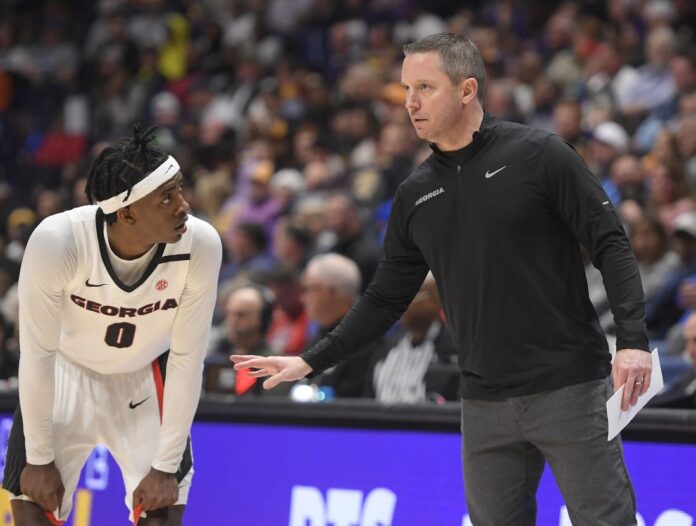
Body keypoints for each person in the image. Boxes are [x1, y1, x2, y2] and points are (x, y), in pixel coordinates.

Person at [232, 32, 652, 525]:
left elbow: (611, 243)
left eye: (425, 88)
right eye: (407, 89)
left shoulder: (540, 155)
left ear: (467, 89)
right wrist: (310, 360)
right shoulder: (415, 195)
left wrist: (633, 341)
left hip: (569, 385)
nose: (410, 103)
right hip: (483, 401)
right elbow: (384, 299)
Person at [3, 126, 222, 525]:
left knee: (162, 510)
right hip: (63, 374)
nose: (184, 206)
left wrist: (166, 465)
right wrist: (38, 458)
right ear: (127, 213)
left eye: (180, 190)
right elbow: (36, 355)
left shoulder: (200, 244)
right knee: (31, 504)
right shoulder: (59, 241)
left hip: (145, 378)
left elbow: (188, 358)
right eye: (167, 197)